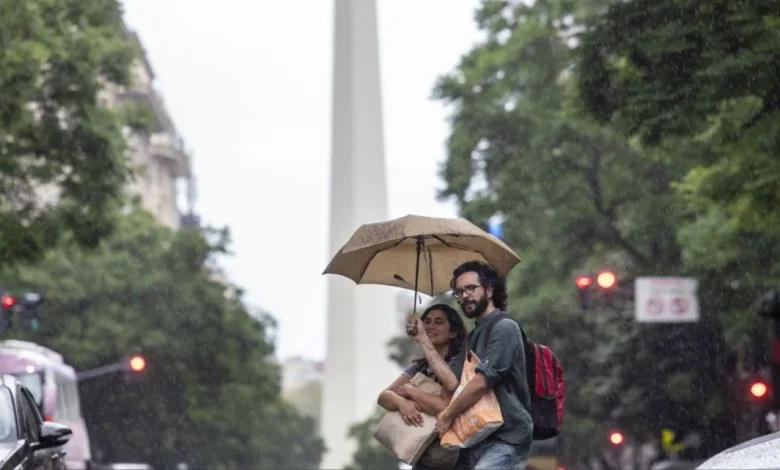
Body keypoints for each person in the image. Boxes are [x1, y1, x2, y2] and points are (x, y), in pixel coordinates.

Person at [411, 260, 533, 470]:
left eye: (471, 288)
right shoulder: (473, 337)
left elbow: (481, 382)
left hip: (505, 438)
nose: (465, 295)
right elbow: (450, 381)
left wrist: (447, 416)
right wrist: (422, 338)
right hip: (475, 437)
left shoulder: (505, 328)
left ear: (488, 290)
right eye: (459, 291)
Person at [378, 304, 469, 470]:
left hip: (454, 456)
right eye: (426, 321)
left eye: (438, 322)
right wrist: (402, 403)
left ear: (453, 332)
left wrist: (410, 391)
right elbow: (383, 397)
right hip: (423, 455)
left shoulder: (460, 366)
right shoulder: (419, 367)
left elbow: (443, 406)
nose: (430, 326)